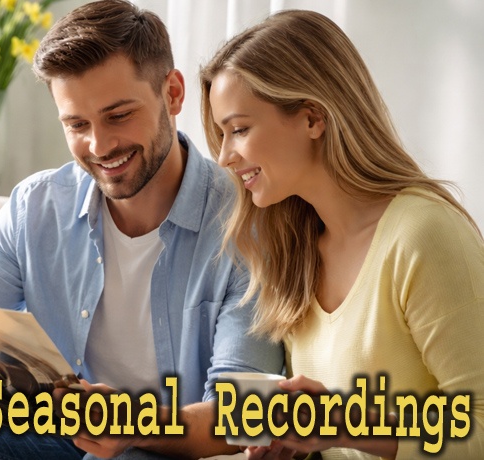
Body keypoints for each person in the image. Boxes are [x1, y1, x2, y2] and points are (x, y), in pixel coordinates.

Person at [0, 1, 283, 458]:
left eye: (118, 115)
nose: (100, 145)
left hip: (168, 445)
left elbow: (245, 414)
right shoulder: (36, 208)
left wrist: (132, 425)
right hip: (59, 440)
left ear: (173, 93)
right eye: (77, 124)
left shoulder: (246, 219)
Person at [200, 9, 484, 460]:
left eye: (239, 129)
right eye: (221, 134)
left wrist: (345, 424)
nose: (225, 157)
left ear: (313, 118)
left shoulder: (424, 235)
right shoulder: (297, 251)